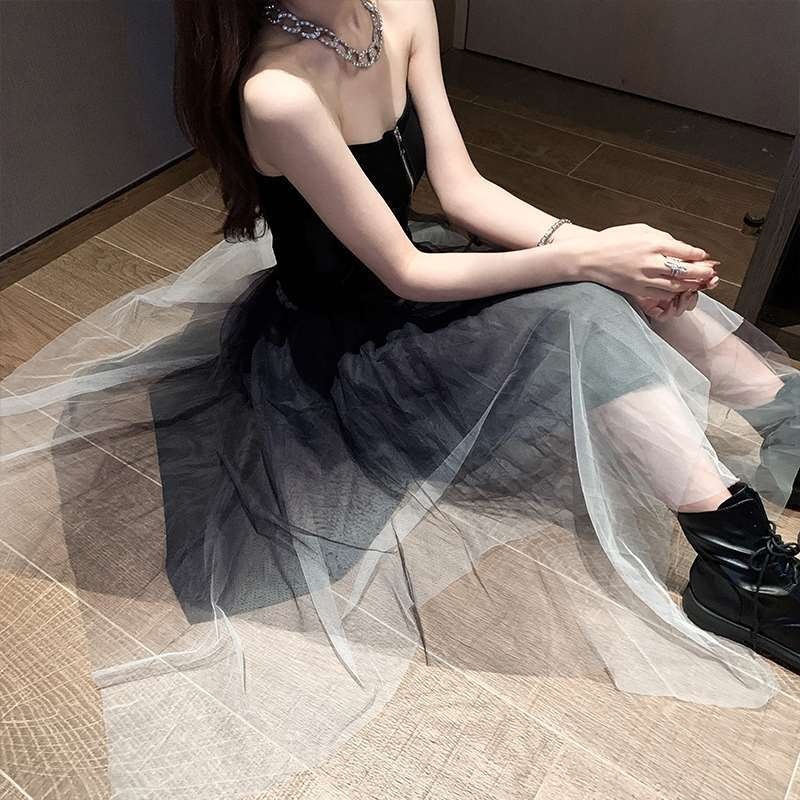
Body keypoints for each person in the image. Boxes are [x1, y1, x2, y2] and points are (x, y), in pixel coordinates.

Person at [2, 0, 799, 795]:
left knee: (621, 277)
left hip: (422, 268)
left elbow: (463, 191)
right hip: (354, 341)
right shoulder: (277, 90)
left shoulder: (403, 8)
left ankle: (787, 421)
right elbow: (404, 275)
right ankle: (745, 575)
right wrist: (594, 265)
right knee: (586, 306)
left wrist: (612, 252)